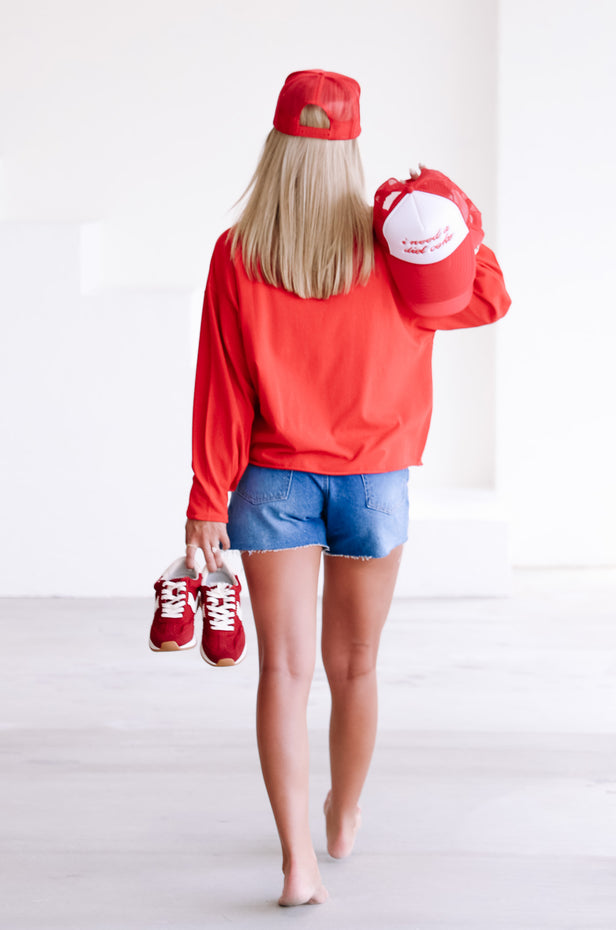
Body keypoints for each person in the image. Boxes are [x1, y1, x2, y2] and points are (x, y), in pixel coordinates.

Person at [184, 69, 511, 906]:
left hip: (270, 484)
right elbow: (488, 295)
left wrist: (206, 499)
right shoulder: (400, 244)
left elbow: (221, 389)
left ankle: (297, 863)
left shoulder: (239, 253)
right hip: (372, 484)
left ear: (276, 147)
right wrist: (447, 204)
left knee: (283, 672)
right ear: (352, 151)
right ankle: (343, 815)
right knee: (356, 667)